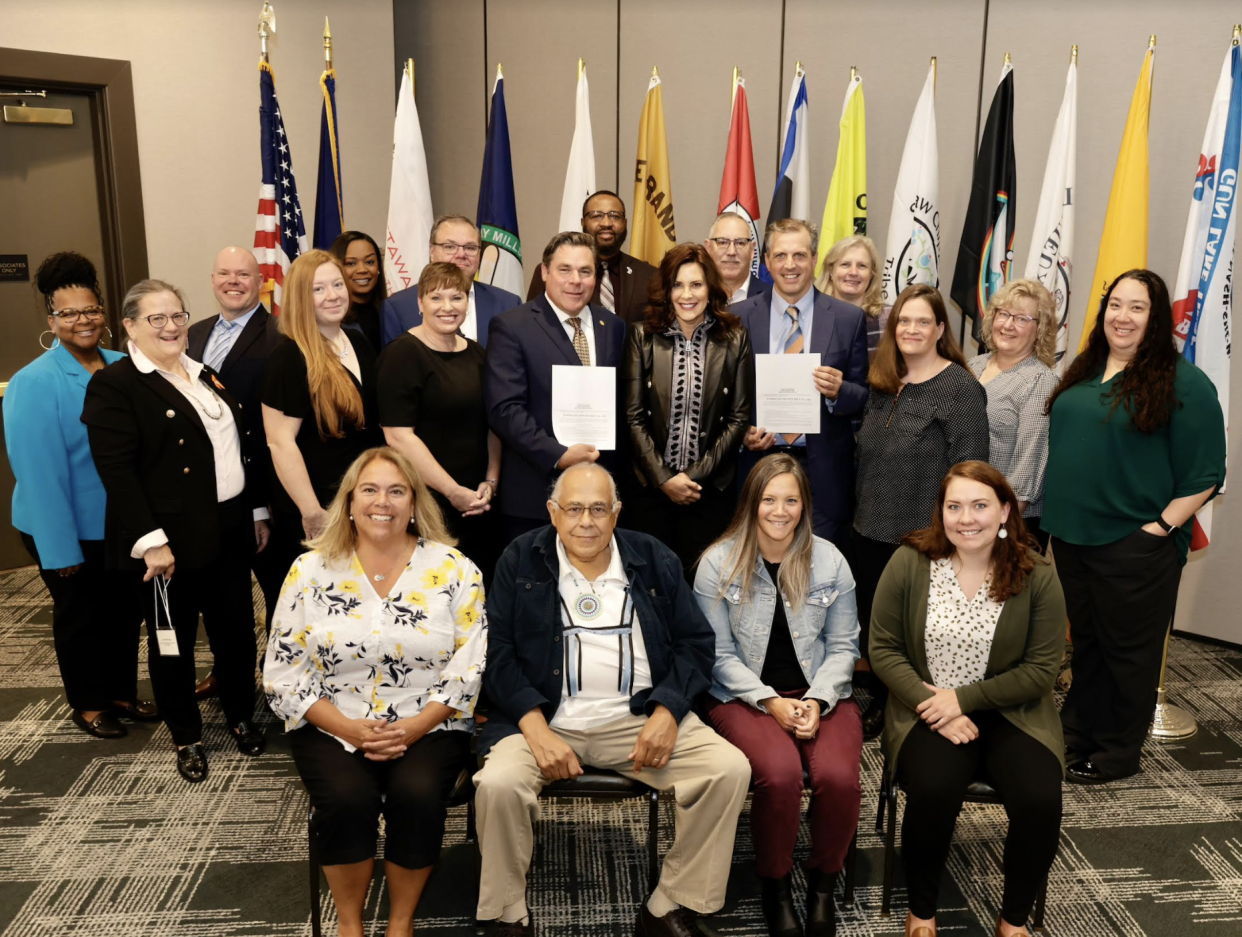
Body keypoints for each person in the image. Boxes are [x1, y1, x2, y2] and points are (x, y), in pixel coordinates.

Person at [474, 463, 751, 937]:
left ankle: (671, 905)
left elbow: (696, 644)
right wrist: (536, 730)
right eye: (575, 509)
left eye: (598, 509)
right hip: (545, 718)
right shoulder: (520, 558)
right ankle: (507, 915)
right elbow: (495, 654)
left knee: (728, 770)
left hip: (637, 719)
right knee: (498, 784)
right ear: (552, 513)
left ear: (617, 513)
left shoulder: (653, 557)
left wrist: (667, 711)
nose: (587, 521)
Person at [265, 446, 486, 937]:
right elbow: (284, 672)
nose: (381, 502)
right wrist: (348, 728)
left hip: (429, 722)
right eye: (369, 490)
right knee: (345, 800)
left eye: (396, 491)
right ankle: (349, 923)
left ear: (414, 504)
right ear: (348, 502)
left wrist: (414, 726)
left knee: (417, 795)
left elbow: (470, 665)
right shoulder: (310, 571)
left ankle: (400, 923)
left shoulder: (455, 570)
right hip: (331, 721)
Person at [1043, 269, 1226, 785]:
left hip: (1135, 543)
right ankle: (1077, 733)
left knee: (1129, 654)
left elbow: (1209, 472)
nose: (1122, 317)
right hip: (1074, 538)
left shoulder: (1182, 381)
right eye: (1115, 306)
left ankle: (1117, 753)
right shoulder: (1086, 368)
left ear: (1157, 316)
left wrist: (1160, 528)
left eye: (1137, 308)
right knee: (1090, 645)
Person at [869, 461, 1066, 937]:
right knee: (934, 791)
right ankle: (921, 911)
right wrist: (935, 705)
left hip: (1011, 712)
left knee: (1040, 799)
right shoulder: (910, 561)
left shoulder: (1036, 573)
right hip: (926, 708)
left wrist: (964, 700)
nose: (966, 518)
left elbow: (1041, 671)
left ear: (1004, 512)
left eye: (980, 505)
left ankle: (1013, 919)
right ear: (941, 512)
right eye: (954, 506)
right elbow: (882, 648)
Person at [82, 279, 267, 783]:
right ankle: (186, 736)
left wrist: (253, 512)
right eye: (156, 319)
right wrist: (151, 542)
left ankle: (239, 716)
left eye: (178, 316)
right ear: (130, 327)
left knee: (236, 634)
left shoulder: (202, 372)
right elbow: (116, 472)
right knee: (172, 643)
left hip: (227, 528)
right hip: (169, 543)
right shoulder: (116, 385)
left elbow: (232, 453)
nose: (170, 327)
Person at [695, 454, 862, 937]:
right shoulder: (716, 563)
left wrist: (817, 700)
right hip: (742, 696)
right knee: (780, 774)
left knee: (838, 778)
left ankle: (823, 883)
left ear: (804, 504)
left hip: (819, 692)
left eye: (791, 499)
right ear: (752, 503)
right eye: (769, 499)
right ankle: (776, 884)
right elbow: (717, 655)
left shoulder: (830, 560)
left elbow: (844, 645)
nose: (780, 510)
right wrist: (770, 701)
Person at [4, 252, 155, 738]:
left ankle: (119, 693)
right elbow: (39, 475)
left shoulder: (126, 365)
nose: (81, 320)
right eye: (67, 313)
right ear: (52, 321)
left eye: (89, 309)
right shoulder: (34, 382)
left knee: (124, 613)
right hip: (63, 523)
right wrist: (59, 549)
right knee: (81, 615)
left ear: (104, 313)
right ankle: (88, 703)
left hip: (120, 523)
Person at [853, 284, 989, 739]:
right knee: (876, 623)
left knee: (911, 631)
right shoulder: (884, 380)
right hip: (868, 527)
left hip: (921, 538)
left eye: (922, 321)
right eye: (903, 321)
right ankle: (877, 691)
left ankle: (905, 703)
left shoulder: (960, 389)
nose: (911, 329)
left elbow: (972, 475)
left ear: (940, 329)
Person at [733, 219, 870, 552]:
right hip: (759, 466)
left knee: (818, 574)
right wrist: (742, 434)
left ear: (814, 258)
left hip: (822, 472)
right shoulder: (737, 317)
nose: (789, 265)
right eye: (780, 256)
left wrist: (839, 391)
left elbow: (863, 395)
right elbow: (722, 399)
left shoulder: (847, 318)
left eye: (799, 255)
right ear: (766, 262)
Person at [485, 231, 627, 540]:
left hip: (600, 496)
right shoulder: (512, 326)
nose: (575, 280)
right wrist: (558, 455)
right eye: (565, 269)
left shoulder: (613, 326)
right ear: (545, 272)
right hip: (535, 496)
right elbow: (504, 410)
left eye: (585, 271)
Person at [622, 242, 753, 577]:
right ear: (666, 290)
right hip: (650, 491)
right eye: (677, 285)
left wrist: (691, 478)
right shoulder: (642, 336)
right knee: (651, 586)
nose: (687, 295)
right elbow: (633, 417)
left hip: (708, 493)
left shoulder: (735, 337)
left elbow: (739, 418)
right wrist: (665, 479)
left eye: (696, 284)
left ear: (710, 287)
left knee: (702, 588)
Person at [187, 246, 282, 700]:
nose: (232, 281)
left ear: (260, 279)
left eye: (242, 274)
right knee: (221, 598)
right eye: (223, 273)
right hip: (209, 493)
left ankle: (279, 676)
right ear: (212, 279)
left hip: (263, 489)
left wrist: (261, 504)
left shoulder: (281, 336)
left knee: (277, 591)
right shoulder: (192, 334)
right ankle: (229, 672)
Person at [262, 249, 382, 602]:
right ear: (301, 298)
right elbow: (280, 442)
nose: (333, 295)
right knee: (318, 608)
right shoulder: (289, 357)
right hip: (319, 505)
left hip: (361, 499)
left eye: (336, 285)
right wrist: (312, 511)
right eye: (318, 289)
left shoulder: (357, 341)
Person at [378, 262, 502, 581]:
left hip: (479, 502)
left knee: (476, 594)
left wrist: (490, 481)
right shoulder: (401, 355)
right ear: (420, 303)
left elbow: (493, 424)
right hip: (427, 504)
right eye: (436, 298)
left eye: (457, 297)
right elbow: (398, 437)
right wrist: (452, 491)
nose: (447, 307)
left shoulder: (477, 354)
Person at [967, 279, 1059, 551]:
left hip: (1010, 524)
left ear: (1039, 329)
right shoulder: (972, 365)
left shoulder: (1040, 381)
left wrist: (995, 524)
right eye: (1003, 314)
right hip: (967, 515)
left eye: (1021, 318)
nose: (1007, 325)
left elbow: (1027, 466)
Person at [380, 215, 520, 347]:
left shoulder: (508, 304)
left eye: (470, 248)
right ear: (432, 252)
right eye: (450, 247)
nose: (461, 255)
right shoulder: (397, 307)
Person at [525, 191, 657, 324]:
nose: (606, 223)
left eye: (615, 216)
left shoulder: (649, 275)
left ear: (625, 223)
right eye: (597, 216)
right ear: (583, 222)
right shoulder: (552, 272)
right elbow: (532, 322)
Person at [814, 235, 890, 361]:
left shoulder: (889, 319)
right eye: (845, 264)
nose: (853, 272)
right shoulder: (812, 316)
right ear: (831, 271)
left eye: (862, 266)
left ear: (871, 274)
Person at [329, 230, 386, 352]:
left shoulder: (390, 313)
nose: (362, 269)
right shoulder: (331, 320)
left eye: (369, 262)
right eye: (351, 263)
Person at [704, 211, 766, 304]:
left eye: (740, 243)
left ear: (752, 250)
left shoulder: (770, 298)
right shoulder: (696, 298)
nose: (731, 252)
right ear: (708, 248)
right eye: (722, 242)